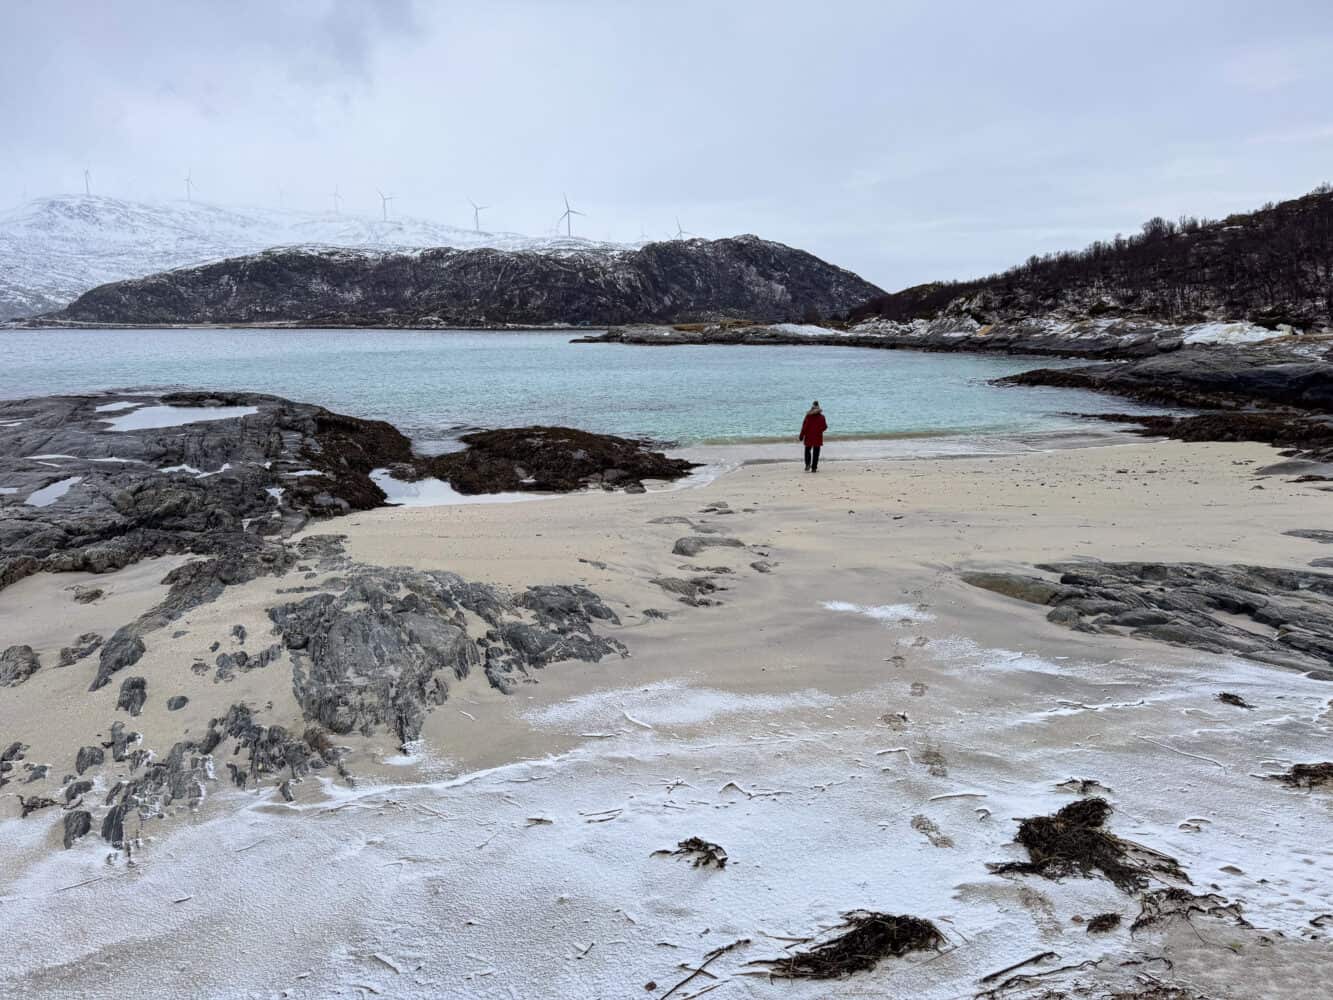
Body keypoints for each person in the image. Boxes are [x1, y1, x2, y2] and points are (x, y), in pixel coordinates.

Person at [798, 401, 827, 472]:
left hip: (809, 437)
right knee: (816, 453)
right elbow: (825, 427)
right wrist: (819, 430)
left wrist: (801, 435)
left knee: (807, 451)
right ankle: (814, 468)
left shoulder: (808, 417)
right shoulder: (822, 417)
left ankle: (807, 464)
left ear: (811, 408)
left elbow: (804, 427)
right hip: (818, 437)